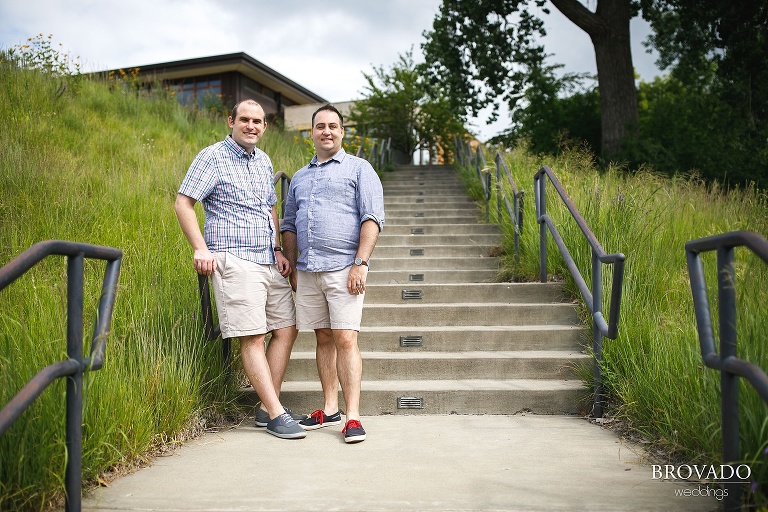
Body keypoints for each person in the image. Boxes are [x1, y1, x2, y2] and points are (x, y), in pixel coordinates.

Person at [174, 99, 306, 440]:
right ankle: (276, 414)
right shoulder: (212, 156)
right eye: (245, 119)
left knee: (287, 328)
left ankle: (266, 407)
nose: (252, 126)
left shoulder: (263, 160)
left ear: (265, 126)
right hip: (233, 258)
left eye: (258, 121)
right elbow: (183, 202)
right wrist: (200, 249)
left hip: (266, 258)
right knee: (252, 335)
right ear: (231, 121)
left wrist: (278, 247)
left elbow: (270, 207)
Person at [281, 104, 385, 443]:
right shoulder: (299, 177)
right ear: (311, 133)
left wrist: (361, 262)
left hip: (344, 269)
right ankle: (329, 408)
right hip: (309, 271)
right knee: (322, 338)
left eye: (333, 126)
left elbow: (372, 218)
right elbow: (289, 225)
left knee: (345, 339)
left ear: (342, 132)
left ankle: (352, 416)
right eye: (320, 126)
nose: (327, 131)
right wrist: (293, 264)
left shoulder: (359, 169)